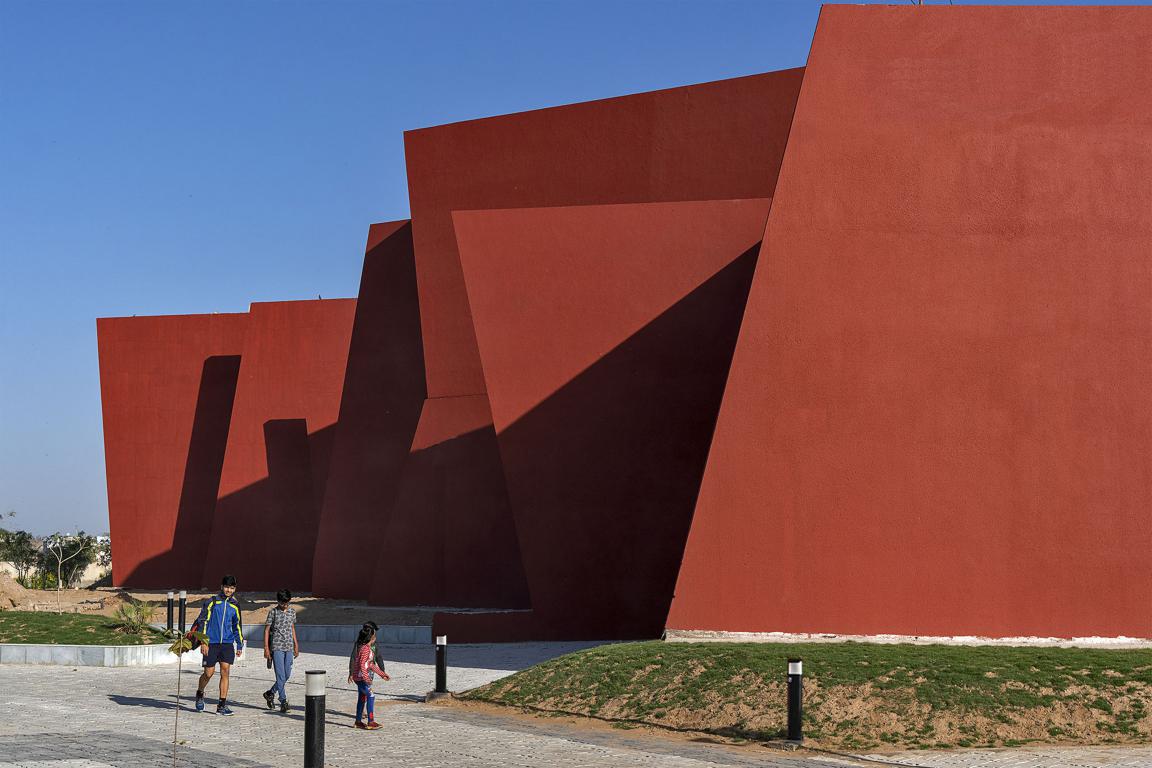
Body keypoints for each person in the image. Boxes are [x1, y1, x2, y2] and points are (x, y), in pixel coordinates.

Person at [189, 574, 245, 715]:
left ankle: (221, 705)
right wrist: (204, 641)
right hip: (211, 642)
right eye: (227, 587)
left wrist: (239, 644)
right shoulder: (212, 602)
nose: (229, 590)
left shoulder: (235, 605)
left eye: (232, 588)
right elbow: (204, 622)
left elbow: (237, 625)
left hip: (227, 643)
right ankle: (200, 693)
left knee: (225, 671)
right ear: (221, 587)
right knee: (209, 673)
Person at [262, 589, 299, 713]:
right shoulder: (273, 612)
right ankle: (283, 701)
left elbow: (292, 628)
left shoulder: (292, 612)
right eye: (283, 603)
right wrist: (266, 648)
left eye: (287, 603)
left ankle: (270, 693)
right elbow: (267, 630)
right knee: (280, 676)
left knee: (287, 675)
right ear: (278, 601)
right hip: (276, 647)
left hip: (288, 646)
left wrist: (296, 644)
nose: (285, 605)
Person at [347, 624, 389, 730]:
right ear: (371, 638)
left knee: (362, 698)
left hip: (360, 677)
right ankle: (371, 721)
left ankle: (358, 721)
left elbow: (370, 665)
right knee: (371, 696)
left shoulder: (366, 648)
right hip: (361, 678)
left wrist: (382, 674)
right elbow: (362, 665)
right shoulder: (365, 649)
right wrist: (367, 679)